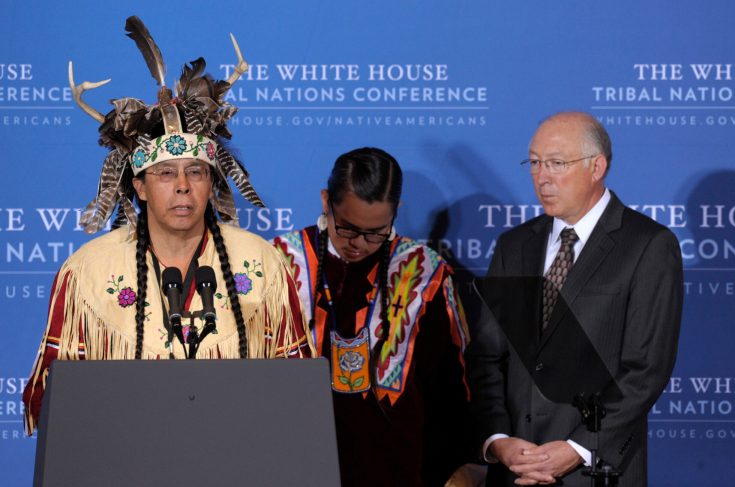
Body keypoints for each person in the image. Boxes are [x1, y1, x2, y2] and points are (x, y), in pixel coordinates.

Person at [23, 17, 313, 435]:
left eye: (196, 171)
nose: (182, 187)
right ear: (138, 186)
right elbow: (54, 399)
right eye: (165, 174)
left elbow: (297, 391)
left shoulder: (260, 263)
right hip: (125, 458)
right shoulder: (88, 271)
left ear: (212, 182)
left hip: (237, 455)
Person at [467, 112, 683, 486]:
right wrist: (499, 441)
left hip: (593, 472)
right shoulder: (513, 246)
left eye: (556, 163)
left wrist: (578, 447)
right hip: (514, 472)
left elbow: (645, 370)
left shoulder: (647, 246)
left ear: (596, 166)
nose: (542, 176)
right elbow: (487, 358)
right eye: (534, 163)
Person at [273, 147, 471, 487]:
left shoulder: (425, 272)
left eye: (377, 232)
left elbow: (452, 383)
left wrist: (463, 462)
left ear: (396, 212)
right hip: (293, 461)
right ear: (325, 201)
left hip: (397, 467)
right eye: (347, 228)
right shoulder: (277, 262)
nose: (359, 244)